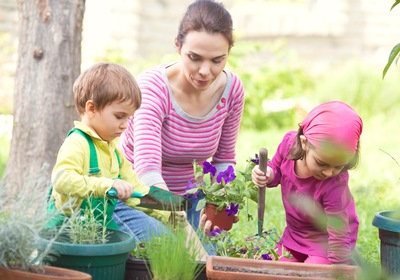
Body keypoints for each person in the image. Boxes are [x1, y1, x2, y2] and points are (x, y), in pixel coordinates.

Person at [114, 0, 245, 239]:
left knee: (210, 257)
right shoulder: (153, 87)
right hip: (138, 195)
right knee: (166, 243)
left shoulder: (232, 90)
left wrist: (222, 202)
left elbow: (224, 159)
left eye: (217, 60)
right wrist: (179, 224)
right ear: (178, 45)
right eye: (195, 57)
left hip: (190, 198)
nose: (205, 71)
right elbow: (147, 169)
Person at [47, 62, 170, 231]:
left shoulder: (113, 151)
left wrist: (168, 208)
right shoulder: (77, 143)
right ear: (92, 109)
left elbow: (137, 188)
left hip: (95, 226)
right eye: (120, 116)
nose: (125, 125)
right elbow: (62, 180)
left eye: (129, 118)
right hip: (66, 229)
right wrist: (106, 185)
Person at [252, 100, 363, 265]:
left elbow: (338, 231)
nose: (328, 172)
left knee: (312, 273)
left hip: (327, 243)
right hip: (294, 237)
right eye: (321, 163)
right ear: (304, 143)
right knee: (276, 268)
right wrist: (267, 174)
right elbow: (276, 168)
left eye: (338, 166)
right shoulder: (288, 146)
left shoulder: (335, 183)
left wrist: (338, 266)